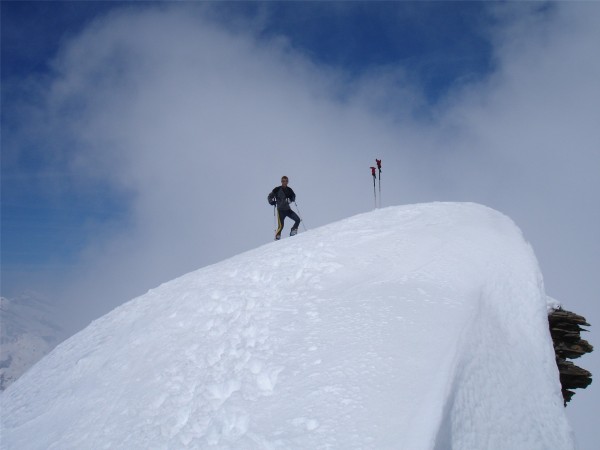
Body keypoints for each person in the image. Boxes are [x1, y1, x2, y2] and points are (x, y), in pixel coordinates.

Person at [268, 176, 301, 240]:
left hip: (288, 210)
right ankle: (277, 237)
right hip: (280, 211)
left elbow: (293, 196)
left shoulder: (289, 190)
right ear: (281, 182)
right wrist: (272, 202)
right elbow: (270, 196)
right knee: (281, 226)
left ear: (287, 182)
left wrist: (291, 199)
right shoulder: (277, 189)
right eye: (283, 181)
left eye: (286, 181)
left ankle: (293, 231)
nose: (284, 182)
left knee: (297, 219)